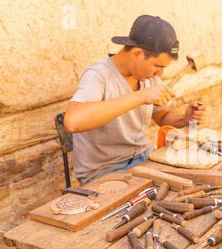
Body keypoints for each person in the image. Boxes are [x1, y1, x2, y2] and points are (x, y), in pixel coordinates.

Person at [64, 15, 204, 184]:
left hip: (144, 158)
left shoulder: (147, 76)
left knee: (195, 184)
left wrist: (184, 118)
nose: (160, 74)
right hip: (104, 172)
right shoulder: (98, 75)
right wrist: (140, 96)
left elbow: (161, 115)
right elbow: (73, 121)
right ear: (137, 53)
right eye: (158, 66)